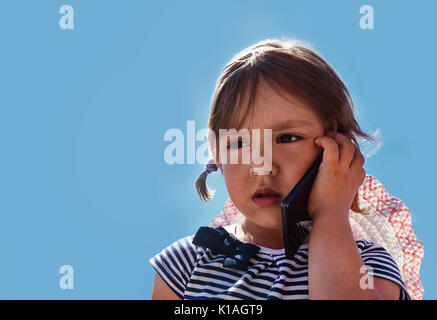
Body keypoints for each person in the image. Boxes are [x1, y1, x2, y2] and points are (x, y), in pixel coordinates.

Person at [150, 38, 421, 300]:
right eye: (240, 142)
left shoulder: (367, 266)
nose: (262, 165)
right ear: (218, 156)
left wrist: (329, 212)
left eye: (287, 138)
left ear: (335, 151)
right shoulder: (185, 263)